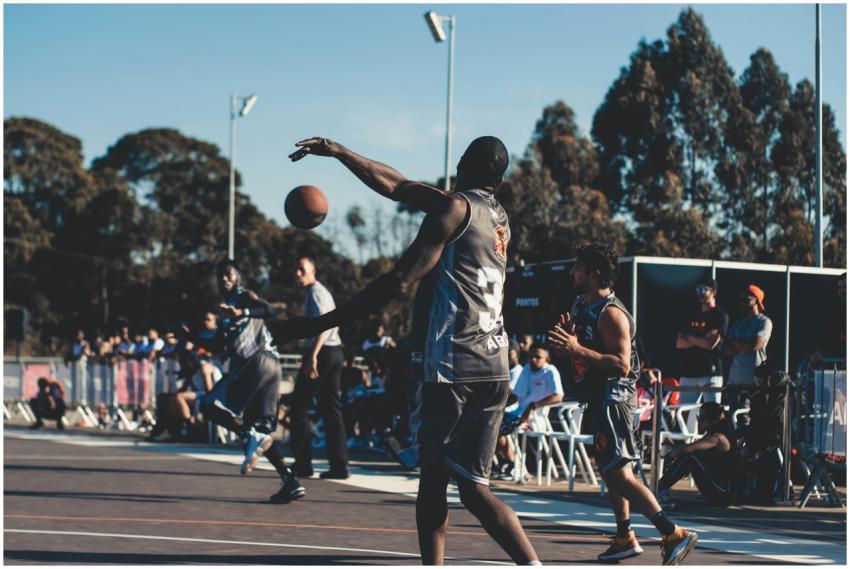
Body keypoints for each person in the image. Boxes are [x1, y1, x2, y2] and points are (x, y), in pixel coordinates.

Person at [283, 135, 540, 565]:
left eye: (461, 157)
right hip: (494, 366)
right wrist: (342, 152)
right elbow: (398, 186)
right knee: (475, 488)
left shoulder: (454, 208)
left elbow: (401, 280)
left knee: (434, 480)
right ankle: (533, 564)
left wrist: (321, 323)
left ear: (466, 163)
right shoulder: (495, 216)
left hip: (455, 364)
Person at [548, 242, 697, 565]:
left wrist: (576, 348)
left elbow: (621, 365)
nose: (573, 272)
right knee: (611, 469)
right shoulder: (580, 305)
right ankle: (624, 536)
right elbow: (577, 352)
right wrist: (565, 344)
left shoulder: (612, 314)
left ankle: (673, 533)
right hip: (597, 400)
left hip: (614, 402)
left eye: (578, 267)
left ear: (595, 273)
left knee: (619, 474)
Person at [196, 258, 305, 505]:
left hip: (254, 363)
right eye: (219, 275)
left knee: (207, 405)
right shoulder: (226, 309)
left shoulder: (243, 297)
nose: (223, 279)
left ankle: (248, 435)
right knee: (262, 431)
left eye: (228, 274)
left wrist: (243, 311)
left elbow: (269, 310)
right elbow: (216, 345)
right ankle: (290, 481)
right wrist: (191, 336)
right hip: (270, 368)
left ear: (238, 276)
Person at [289, 256, 348, 479]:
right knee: (331, 409)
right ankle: (339, 466)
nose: (298, 273)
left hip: (323, 353)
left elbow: (326, 324)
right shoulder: (322, 292)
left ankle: (303, 464)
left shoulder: (316, 292)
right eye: (297, 269)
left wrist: (312, 355)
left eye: (302, 269)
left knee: (299, 407)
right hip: (333, 352)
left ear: (313, 271)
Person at [494, 345, 563, 480]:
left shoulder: (550, 371)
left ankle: (513, 465)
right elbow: (516, 395)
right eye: (531, 356)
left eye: (538, 357)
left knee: (497, 429)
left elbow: (558, 396)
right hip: (518, 413)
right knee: (489, 423)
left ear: (547, 359)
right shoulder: (526, 369)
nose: (533, 359)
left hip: (535, 418)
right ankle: (509, 464)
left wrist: (533, 406)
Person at [657, 402, 737, 507]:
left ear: (713, 420)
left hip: (724, 493)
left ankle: (660, 487)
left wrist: (672, 453)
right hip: (721, 489)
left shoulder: (718, 437)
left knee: (691, 457)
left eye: (702, 418)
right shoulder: (713, 433)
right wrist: (674, 449)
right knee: (691, 454)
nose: (699, 422)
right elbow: (692, 447)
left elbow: (691, 448)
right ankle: (661, 487)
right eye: (699, 418)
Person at [675, 278, 728, 404]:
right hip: (688, 373)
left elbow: (710, 344)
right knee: (684, 414)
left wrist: (690, 337)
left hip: (710, 372)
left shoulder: (720, 315)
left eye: (704, 289)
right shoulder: (691, 314)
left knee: (712, 411)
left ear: (714, 292)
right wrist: (703, 338)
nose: (700, 293)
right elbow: (679, 343)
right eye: (698, 289)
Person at [722, 284, 772, 411]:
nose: (742, 302)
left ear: (756, 301)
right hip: (733, 381)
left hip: (753, 381)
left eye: (747, 299)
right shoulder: (737, 324)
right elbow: (725, 350)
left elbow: (755, 345)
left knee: (748, 419)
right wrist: (744, 345)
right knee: (732, 420)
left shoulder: (764, 322)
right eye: (741, 299)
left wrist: (734, 342)